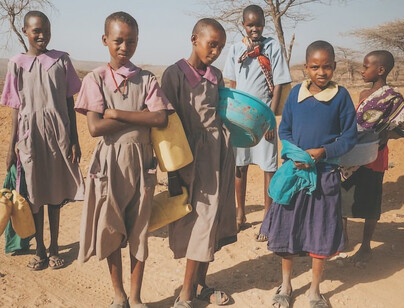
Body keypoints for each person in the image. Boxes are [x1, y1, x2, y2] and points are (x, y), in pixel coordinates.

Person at [75, 12, 172, 308]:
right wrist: (141, 119)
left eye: (131, 41)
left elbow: (160, 118)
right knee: (111, 228)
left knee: (139, 230)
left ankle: (136, 296)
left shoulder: (147, 79)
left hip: (143, 165)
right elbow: (95, 128)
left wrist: (117, 113)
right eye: (118, 40)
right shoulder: (95, 79)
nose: (124, 46)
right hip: (109, 166)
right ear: (105, 40)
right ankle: (119, 296)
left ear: (137, 42)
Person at [260, 40, 357, 308]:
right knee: (288, 229)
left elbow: (349, 136)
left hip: (324, 175)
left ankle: (314, 291)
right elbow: (285, 130)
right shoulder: (295, 95)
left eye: (327, 67)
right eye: (315, 67)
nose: (321, 72)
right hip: (294, 174)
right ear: (306, 68)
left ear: (334, 67)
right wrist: (296, 154)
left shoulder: (341, 96)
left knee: (320, 231)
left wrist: (322, 153)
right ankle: (286, 285)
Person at [161, 18, 237, 308]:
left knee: (212, 220)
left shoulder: (216, 75)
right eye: (211, 44)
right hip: (189, 159)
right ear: (194, 39)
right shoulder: (174, 75)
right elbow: (166, 125)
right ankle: (185, 295)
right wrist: (172, 173)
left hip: (219, 156)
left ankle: (200, 286)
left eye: (220, 47)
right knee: (198, 223)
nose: (215, 51)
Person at [1, 11, 84, 270]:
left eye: (46, 30)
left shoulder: (61, 61)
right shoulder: (16, 63)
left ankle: (55, 247)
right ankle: (39, 250)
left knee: (55, 194)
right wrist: (11, 146)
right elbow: (16, 108)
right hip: (30, 138)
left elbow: (70, 102)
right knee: (35, 195)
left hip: (58, 136)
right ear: (25, 31)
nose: (42, 35)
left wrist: (74, 139)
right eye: (36, 30)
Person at [223, 4, 292, 240]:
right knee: (239, 166)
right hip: (241, 117)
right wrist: (231, 118)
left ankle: (267, 218)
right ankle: (240, 214)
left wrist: (271, 121)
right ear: (243, 25)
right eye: (250, 25)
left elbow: (280, 83)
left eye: (258, 24)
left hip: (264, 117)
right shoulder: (235, 49)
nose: (255, 28)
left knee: (268, 167)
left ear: (264, 23)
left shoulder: (272, 47)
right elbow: (231, 83)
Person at [341, 50, 404, 264]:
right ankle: (342, 241)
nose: (362, 70)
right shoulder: (363, 94)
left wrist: (386, 135)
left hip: (375, 156)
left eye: (365, 66)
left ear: (380, 70)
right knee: (342, 198)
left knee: (371, 202)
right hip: (353, 154)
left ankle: (365, 246)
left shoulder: (393, 97)